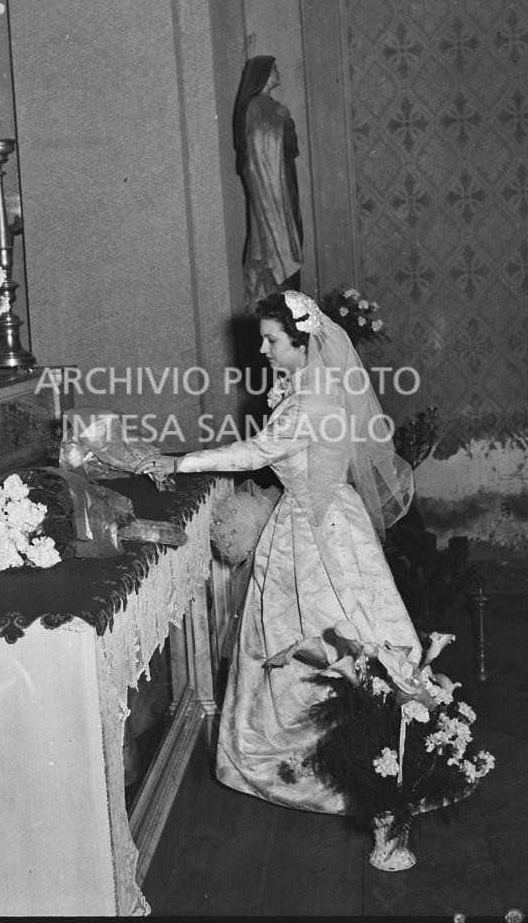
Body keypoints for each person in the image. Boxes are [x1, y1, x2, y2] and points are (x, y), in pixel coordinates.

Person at [136, 291, 421, 813]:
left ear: (302, 340)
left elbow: (255, 451)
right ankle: (335, 745)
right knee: (314, 631)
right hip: (322, 515)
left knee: (321, 630)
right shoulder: (309, 385)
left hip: (316, 529)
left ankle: (331, 755)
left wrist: (177, 462)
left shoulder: (311, 400)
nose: (263, 350)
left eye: (271, 340)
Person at [233, 56, 304, 307]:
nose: (278, 71)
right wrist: (279, 122)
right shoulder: (256, 106)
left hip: (284, 187)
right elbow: (256, 150)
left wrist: (286, 123)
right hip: (269, 191)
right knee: (274, 251)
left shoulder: (272, 106)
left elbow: (290, 149)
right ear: (262, 74)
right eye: (274, 68)